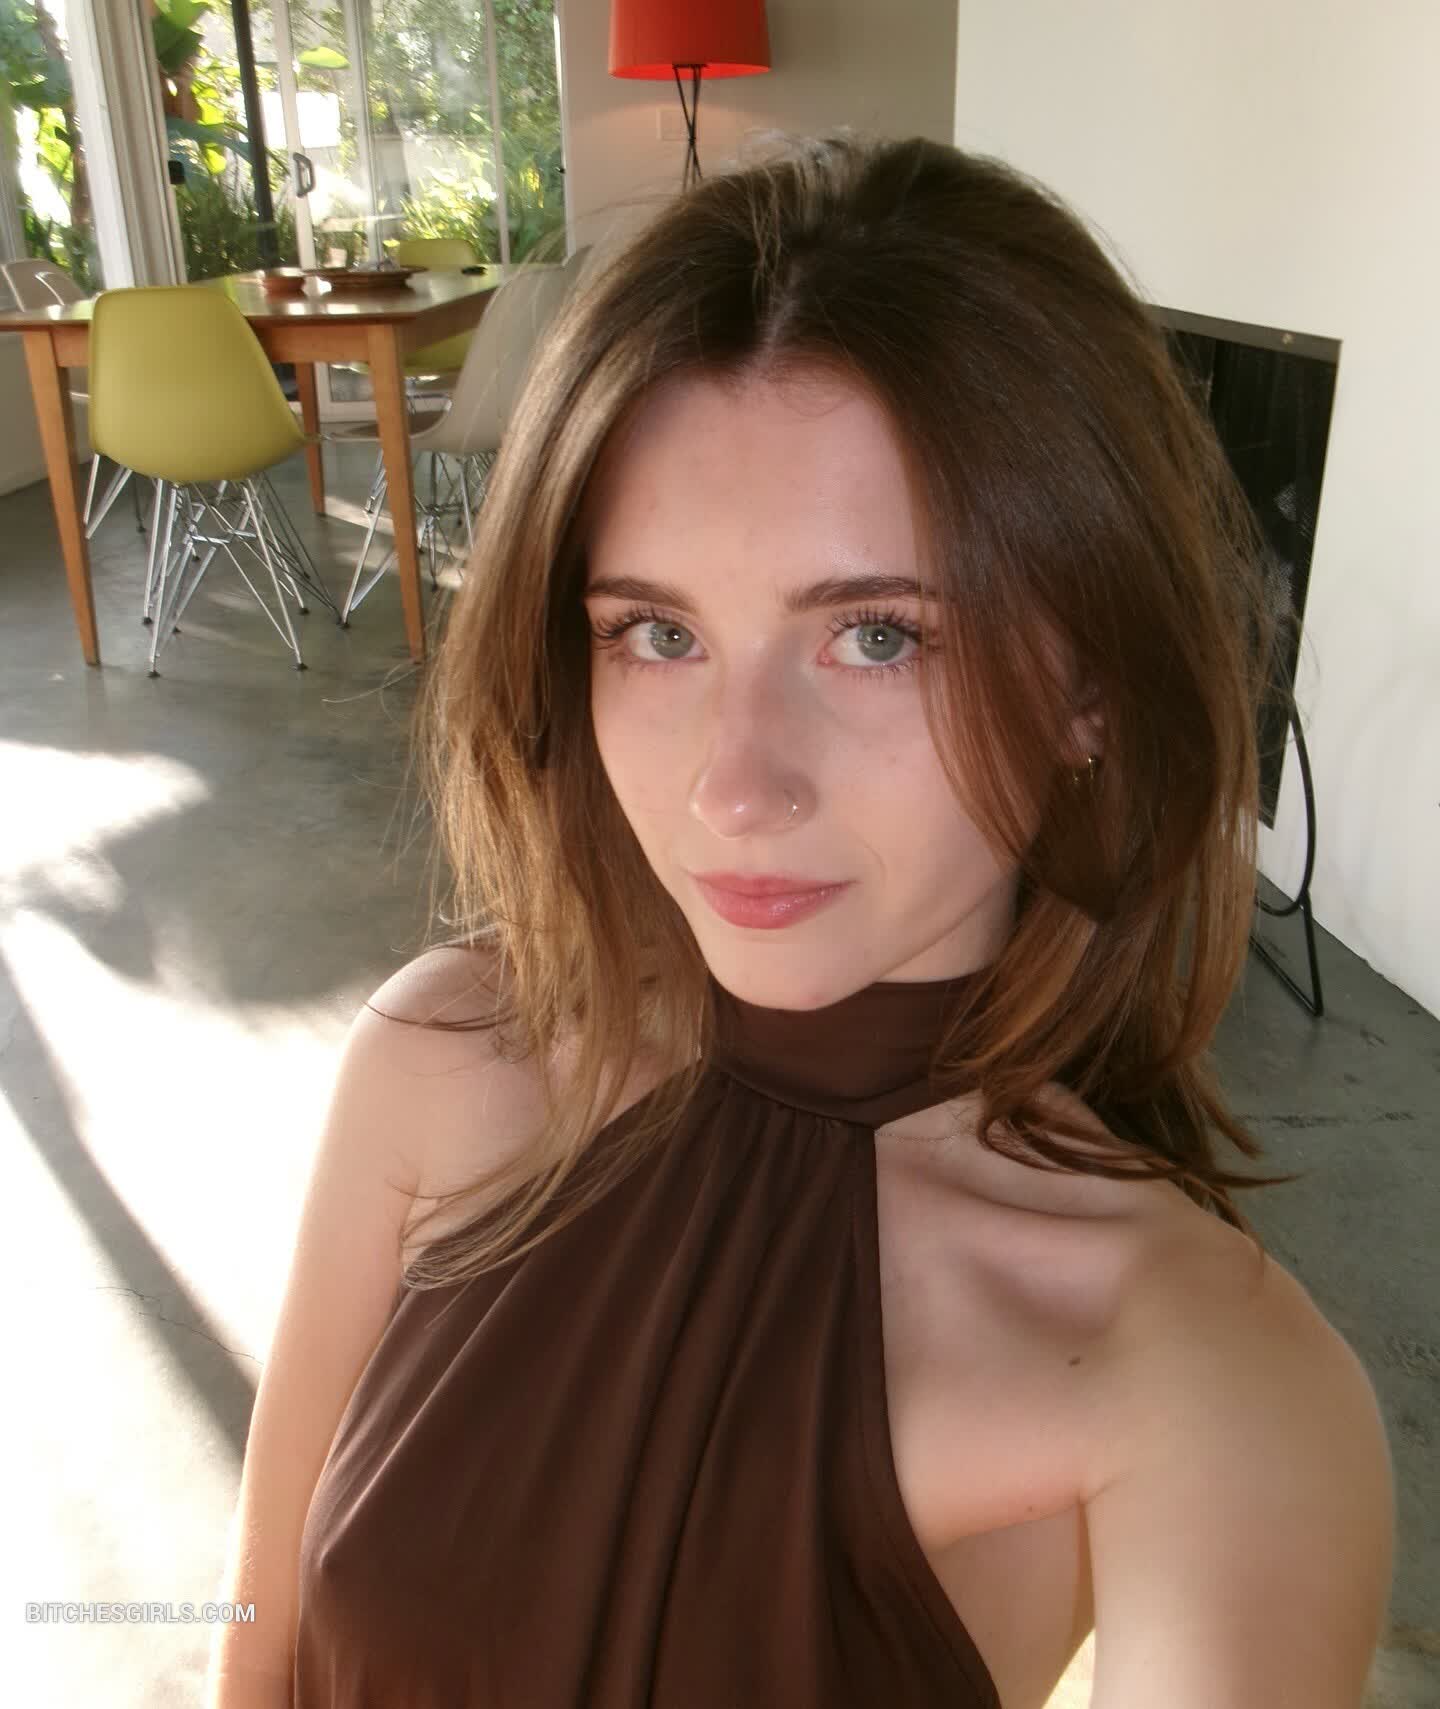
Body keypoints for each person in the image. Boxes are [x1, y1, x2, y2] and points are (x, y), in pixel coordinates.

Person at [205, 134, 1394, 1709]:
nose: (734, 787)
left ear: (1093, 685)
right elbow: (256, 1644)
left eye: (878, 636)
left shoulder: (1197, 1375)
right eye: (658, 632)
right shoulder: (439, 1058)